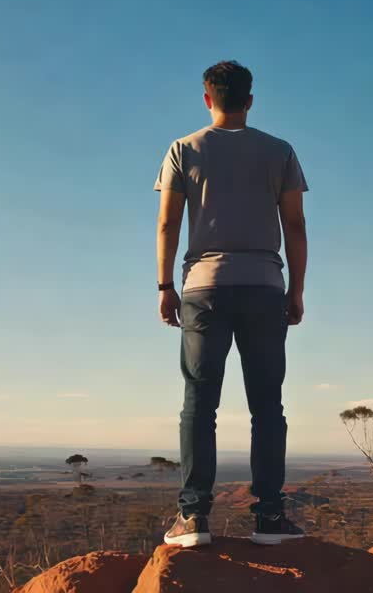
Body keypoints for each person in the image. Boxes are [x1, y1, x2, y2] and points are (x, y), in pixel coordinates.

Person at [154, 60, 310, 547]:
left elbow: (167, 225)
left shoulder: (184, 149)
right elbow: (296, 227)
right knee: (267, 405)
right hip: (264, 286)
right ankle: (268, 518)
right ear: (250, 99)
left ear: (207, 98)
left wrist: (164, 286)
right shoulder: (279, 151)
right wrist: (296, 289)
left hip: (204, 290)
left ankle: (194, 518)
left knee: (200, 402)